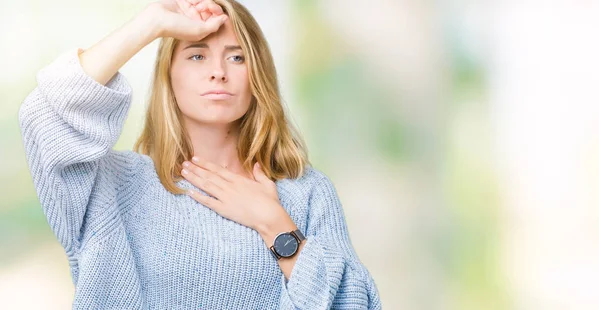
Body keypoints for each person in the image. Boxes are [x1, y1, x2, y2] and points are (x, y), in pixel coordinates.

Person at [17, 0, 382, 308]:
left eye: (237, 58)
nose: (218, 73)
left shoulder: (306, 194)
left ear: (259, 76)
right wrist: (150, 24)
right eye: (197, 55)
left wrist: (274, 224)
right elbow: (45, 115)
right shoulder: (111, 187)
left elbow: (356, 302)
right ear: (169, 75)